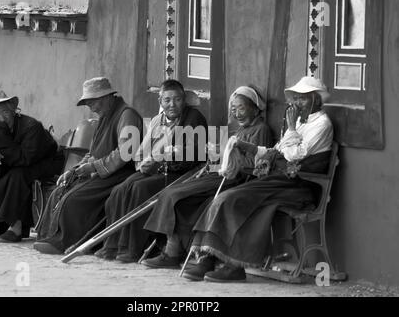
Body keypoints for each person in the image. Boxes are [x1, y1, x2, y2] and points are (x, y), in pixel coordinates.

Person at [155, 76, 333, 283]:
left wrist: (291, 128)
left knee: (231, 199)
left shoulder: (321, 124)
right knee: (224, 198)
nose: (296, 104)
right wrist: (247, 147)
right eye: (296, 99)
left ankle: (234, 265)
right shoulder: (302, 123)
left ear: (317, 100)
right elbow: (275, 151)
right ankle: (207, 257)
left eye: (302, 99)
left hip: (298, 185)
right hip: (279, 179)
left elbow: (295, 155)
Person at [141, 85, 273, 269]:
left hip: (237, 179)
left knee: (176, 195)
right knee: (172, 193)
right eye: (233, 109)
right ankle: (173, 249)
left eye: (241, 108)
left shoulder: (261, 129)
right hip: (222, 174)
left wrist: (226, 157)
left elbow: (255, 165)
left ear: (255, 108)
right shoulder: (240, 131)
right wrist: (217, 155)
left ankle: (179, 253)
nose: (237, 114)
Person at [96, 79, 208, 263]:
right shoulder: (157, 121)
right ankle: (113, 245)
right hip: (154, 170)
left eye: (177, 99)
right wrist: (144, 165)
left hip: (178, 173)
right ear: (160, 102)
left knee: (139, 189)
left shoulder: (194, 118)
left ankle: (132, 248)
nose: (172, 104)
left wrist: (162, 160)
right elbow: (141, 152)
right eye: (167, 100)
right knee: (119, 190)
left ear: (184, 100)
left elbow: (191, 155)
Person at [34, 77, 143, 254]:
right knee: (59, 191)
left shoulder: (127, 115)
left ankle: (69, 242)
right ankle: (50, 236)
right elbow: (92, 153)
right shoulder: (104, 117)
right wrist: (75, 170)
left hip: (120, 174)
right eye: (88, 103)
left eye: (93, 102)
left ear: (107, 97)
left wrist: (93, 167)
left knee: (74, 198)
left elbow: (126, 152)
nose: (91, 107)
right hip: (100, 172)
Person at [0, 90, 64, 243]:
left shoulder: (31, 126)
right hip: (17, 161)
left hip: (46, 162)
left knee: (17, 175)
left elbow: (27, 158)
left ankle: (16, 227)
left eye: (5, 112)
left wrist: (2, 153)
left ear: (13, 110)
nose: (1, 118)